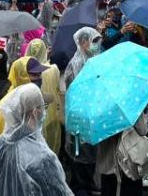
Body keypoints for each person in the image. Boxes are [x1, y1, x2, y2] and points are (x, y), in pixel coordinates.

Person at [0, 83, 72, 196]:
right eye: (42, 106)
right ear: (36, 112)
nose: (44, 111)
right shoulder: (44, 157)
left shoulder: (0, 144)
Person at [63, 28, 102, 196]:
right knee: (80, 150)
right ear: (82, 42)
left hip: (90, 114)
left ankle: (87, 182)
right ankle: (81, 186)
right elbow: (78, 91)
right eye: (93, 41)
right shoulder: (77, 63)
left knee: (89, 150)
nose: (96, 46)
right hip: (80, 116)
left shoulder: (91, 59)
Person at [24, 39, 63, 155]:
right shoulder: (53, 69)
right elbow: (56, 89)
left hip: (31, 113)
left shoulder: (24, 69)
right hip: (50, 112)